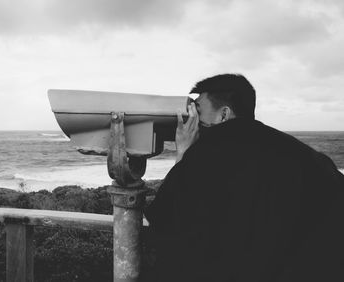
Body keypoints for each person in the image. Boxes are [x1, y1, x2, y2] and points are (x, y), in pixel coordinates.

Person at [144, 74, 344, 281]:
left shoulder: (204, 156)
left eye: (198, 112)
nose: (192, 120)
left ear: (224, 115)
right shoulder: (306, 156)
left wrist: (183, 153)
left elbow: (164, 220)